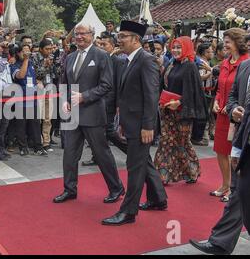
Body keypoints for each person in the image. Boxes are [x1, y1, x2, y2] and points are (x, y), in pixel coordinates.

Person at [102, 21, 167, 226]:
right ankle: (158, 198)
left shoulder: (145, 60)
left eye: (123, 37)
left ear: (135, 39)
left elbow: (151, 95)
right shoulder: (128, 59)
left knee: (135, 167)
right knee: (143, 162)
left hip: (142, 125)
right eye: (118, 37)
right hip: (131, 122)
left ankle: (128, 212)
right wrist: (122, 122)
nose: (118, 40)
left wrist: (148, 126)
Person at [53, 23, 123, 205]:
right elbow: (66, 83)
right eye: (77, 33)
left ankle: (116, 188)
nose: (79, 36)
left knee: (101, 154)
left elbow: (107, 85)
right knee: (69, 153)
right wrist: (66, 100)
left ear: (92, 35)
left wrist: (85, 96)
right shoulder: (70, 57)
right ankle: (70, 189)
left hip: (92, 112)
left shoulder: (101, 55)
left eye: (83, 33)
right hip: (72, 113)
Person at [190, 57, 250, 255]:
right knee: (240, 194)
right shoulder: (245, 66)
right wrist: (233, 109)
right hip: (244, 140)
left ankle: (220, 242)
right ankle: (221, 242)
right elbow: (233, 96)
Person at [154, 36, 207, 184]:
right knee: (166, 142)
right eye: (174, 47)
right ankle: (161, 176)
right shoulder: (172, 64)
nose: (176, 50)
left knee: (182, 142)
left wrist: (180, 102)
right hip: (167, 110)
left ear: (186, 48)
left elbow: (195, 91)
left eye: (179, 48)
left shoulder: (190, 66)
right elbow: (164, 85)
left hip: (183, 112)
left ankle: (192, 171)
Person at [211, 28, 249, 201]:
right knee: (220, 150)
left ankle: (234, 188)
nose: (223, 45)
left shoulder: (245, 62)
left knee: (234, 153)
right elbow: (221, 87)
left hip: (236, 116)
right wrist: (217, 100)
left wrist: (232, 106)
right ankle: (225, 184)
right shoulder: (225, 62)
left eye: (227, 42)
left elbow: (243, 92)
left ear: (237, 43)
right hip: (222, 113)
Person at [82, 34, 128, 167]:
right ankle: (96, 157)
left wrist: (119, 104)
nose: (101, 47)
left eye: (104, 45)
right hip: (96, 100)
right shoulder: (97, 60)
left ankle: (131, 152)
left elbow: (120, 84)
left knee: (108, 131)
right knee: (99, 131)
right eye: (100, 44)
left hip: (110, 102)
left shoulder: (118, 62)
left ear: (113, 46)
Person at [9, 44, 46, 156]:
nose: (26, 53)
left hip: (32, 99)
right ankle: (23, 147)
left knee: (35, 124)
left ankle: (38, 147)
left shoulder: (31, 65)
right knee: (21, 125)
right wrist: (25, 60)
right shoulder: (14, 66)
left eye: (28, 51)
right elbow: (20, 76)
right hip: (21, 100)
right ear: (18, 53)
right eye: (23, 51)